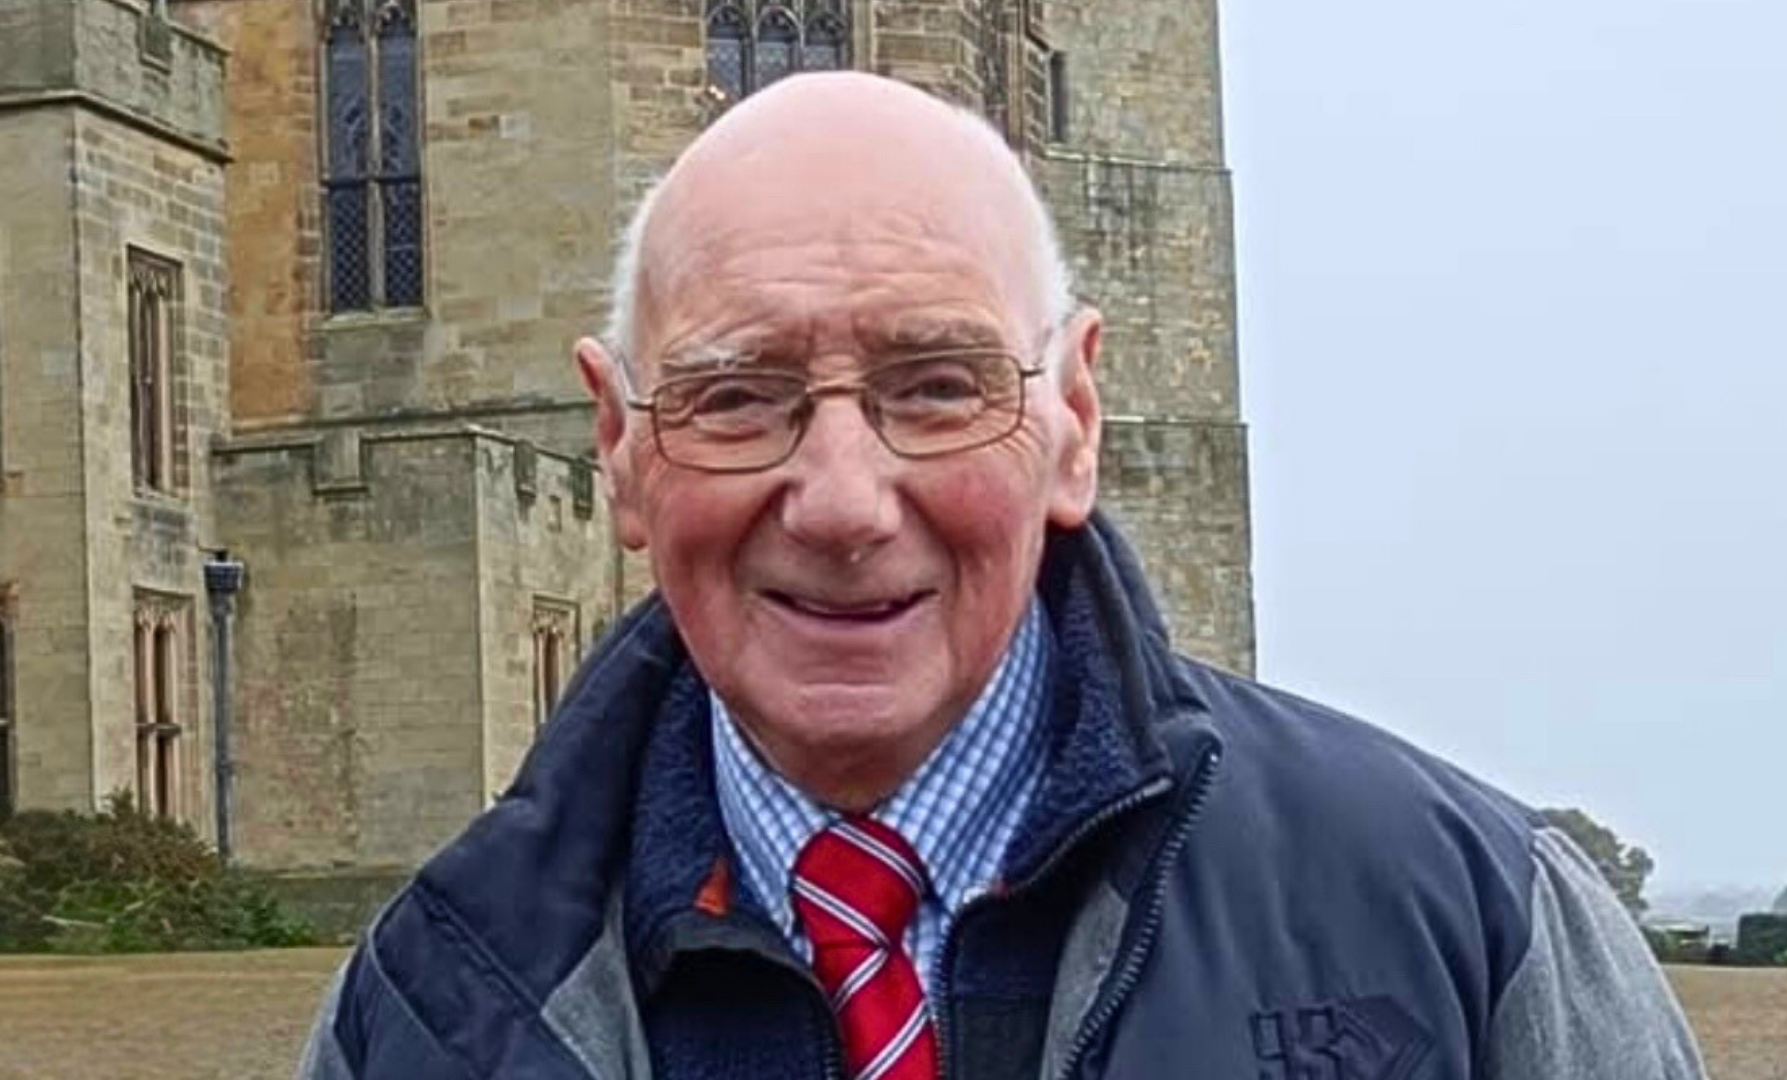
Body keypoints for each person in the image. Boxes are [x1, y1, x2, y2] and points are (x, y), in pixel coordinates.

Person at [297, 72, 1707, 1080]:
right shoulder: (423, 1008)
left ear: (1076, 422)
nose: (843, 502)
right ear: (618, 447)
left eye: (936, 386)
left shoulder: (1473, 926)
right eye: (735, 397)